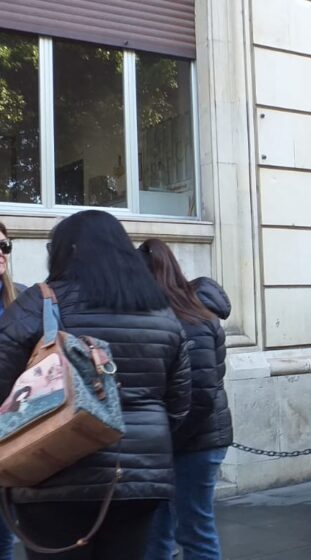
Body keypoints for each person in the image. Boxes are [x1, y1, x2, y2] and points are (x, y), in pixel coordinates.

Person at [0, 210, 191, 560]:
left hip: (51, 471)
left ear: (65, 251)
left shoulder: (40, 301)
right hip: (138, 479)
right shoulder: (162, 314)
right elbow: (178, 405)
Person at [139, 238, 233, 560]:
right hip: (182, 438)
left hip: (195, 440)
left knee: (193, 528)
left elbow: (201, 393)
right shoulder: (183, 314)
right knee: (162, 527)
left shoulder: (187, 319)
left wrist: (169, 437)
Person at [0, 221, 25, 560]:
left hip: (10, 429)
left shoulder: (20, 297)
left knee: (4, 534)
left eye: (5, 245)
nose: (1, 253)